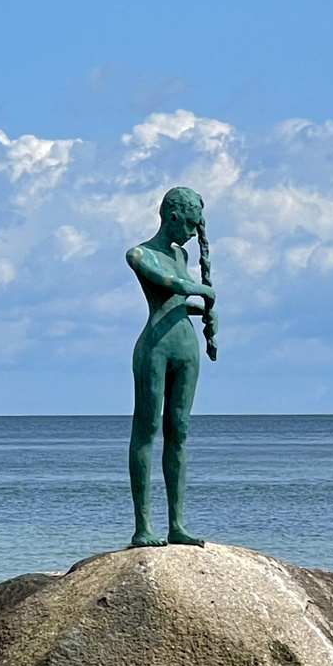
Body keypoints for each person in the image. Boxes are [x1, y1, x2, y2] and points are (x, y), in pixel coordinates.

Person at [126, 186, 217, 547]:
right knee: (147, 430)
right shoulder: (139, 254)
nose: (194, 234)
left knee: (178, 432)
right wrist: (200, 290)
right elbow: (169, 285)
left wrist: (205, 310)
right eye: (191, 226)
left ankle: (177, 524)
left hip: (187, 349)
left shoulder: (180, 255)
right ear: (174, 217)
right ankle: (143, 527)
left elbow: (180, 300)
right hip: (155, 349)